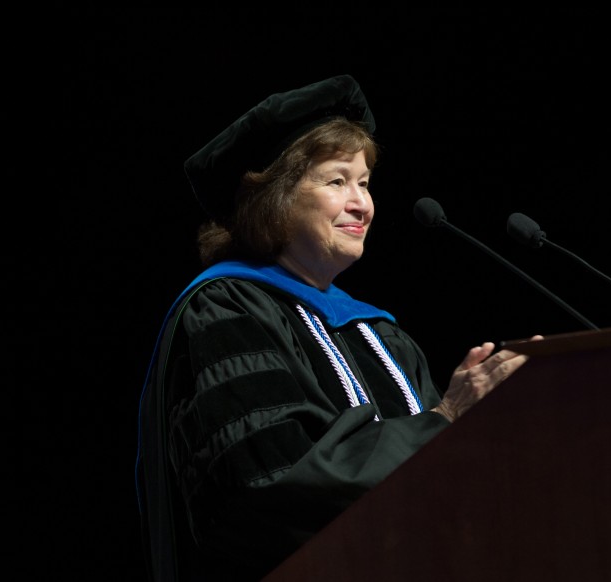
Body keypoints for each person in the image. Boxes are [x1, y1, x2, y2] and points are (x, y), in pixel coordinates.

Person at [135, 74, 539, 582]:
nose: (362, 204)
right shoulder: (225, 311)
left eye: (365, 183)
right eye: (337, 181)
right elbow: (274, 482)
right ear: (275, 196)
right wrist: (447, 417)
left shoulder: (383, 335)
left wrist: (496, 427)